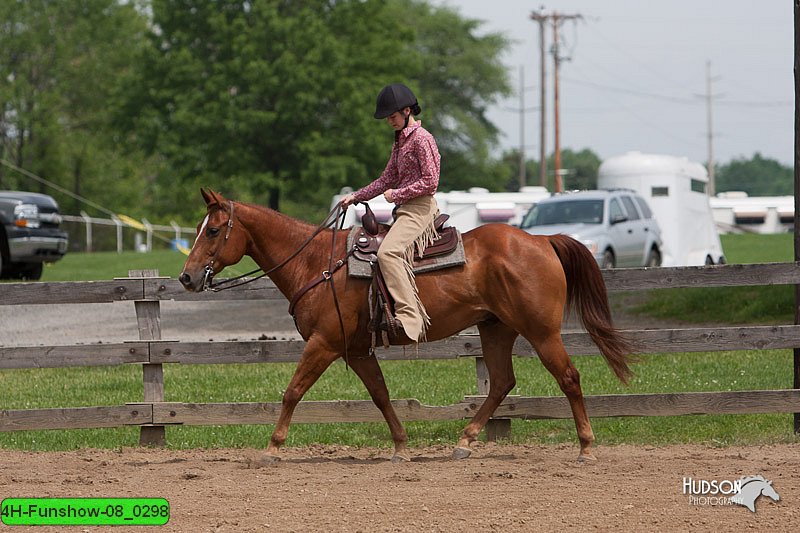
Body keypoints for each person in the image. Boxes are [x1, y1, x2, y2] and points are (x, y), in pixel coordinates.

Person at [340, 83, 441, 342]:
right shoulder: (400, 143)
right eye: (387, 118)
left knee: (388, 253)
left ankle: (410, 318)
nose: (389, 122)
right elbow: (386, 179)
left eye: (393, 116)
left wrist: (397, 195)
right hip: (405, 210)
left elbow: (431, 181)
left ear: (407, 111)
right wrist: (356, 196)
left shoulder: (422, 139)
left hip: (420, 210)